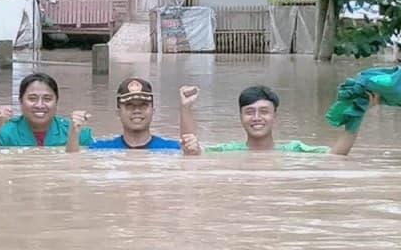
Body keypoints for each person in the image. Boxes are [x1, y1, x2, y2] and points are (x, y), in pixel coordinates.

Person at [181, 85, 381, 155]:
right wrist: (186, 108)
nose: (257, 118)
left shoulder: (294, 149)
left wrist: (359, 113)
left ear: (275, 115)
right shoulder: (228, 150)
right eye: (249, 112)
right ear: (240, 117)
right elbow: (191, 151)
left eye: (264, 112)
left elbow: (335, 156)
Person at [0, 72, 93, 148]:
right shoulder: (5, 131)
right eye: (32, 98)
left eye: (47, 99)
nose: (39, 105)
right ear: (20, 101)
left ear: (56, 102)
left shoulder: (78, 132)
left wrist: (74, 134)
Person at [67, 77, 183, 152]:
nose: (136, 110)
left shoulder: (172, 149)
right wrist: (74, 131)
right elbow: (73, 164)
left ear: (153, 111)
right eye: (129, 105)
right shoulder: (101, 149)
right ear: (118, 112)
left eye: (143, 105)